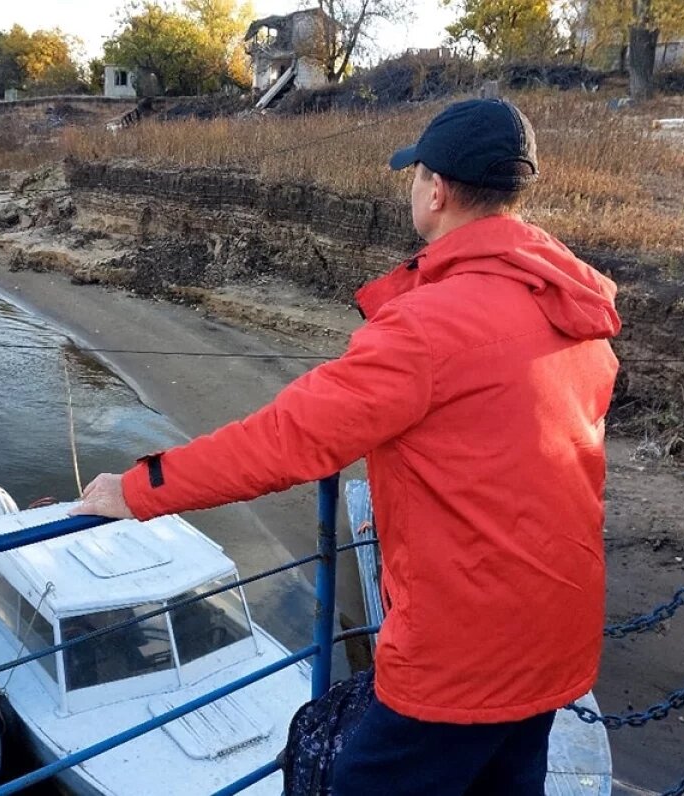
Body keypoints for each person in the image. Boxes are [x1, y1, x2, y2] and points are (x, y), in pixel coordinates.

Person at [72, 98, 621, 794]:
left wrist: (136, 490)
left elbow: (285, 442)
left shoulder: (429, 326)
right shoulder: (569, 302)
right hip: (556, 632)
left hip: (461, 656)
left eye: (415, 174)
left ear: (437, 188)